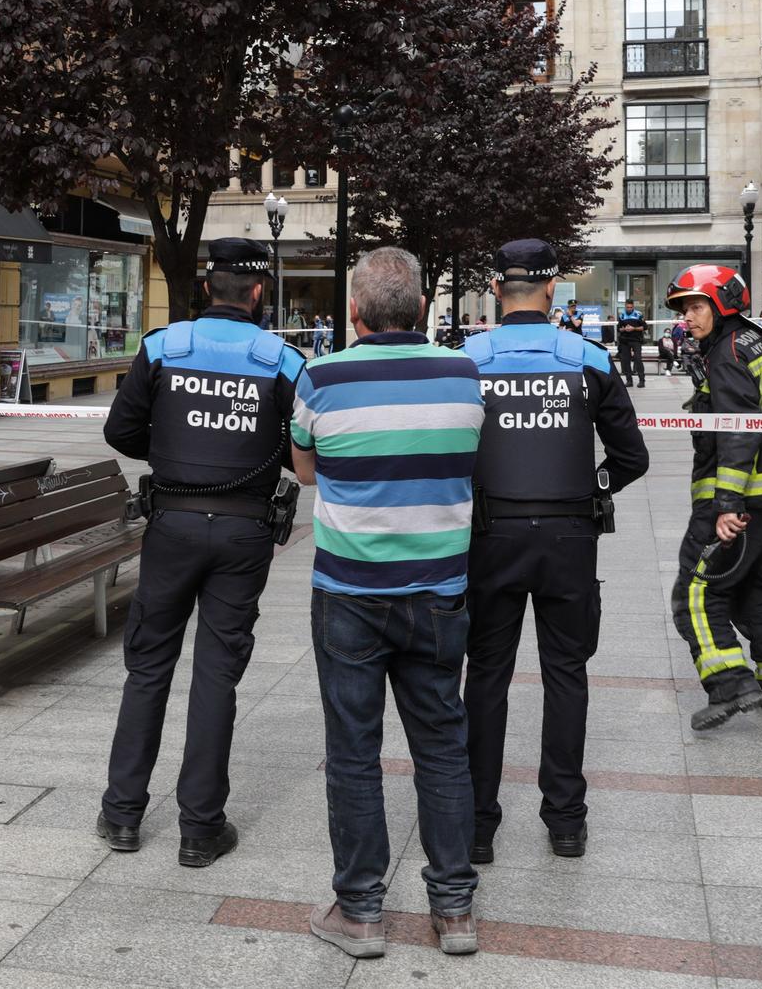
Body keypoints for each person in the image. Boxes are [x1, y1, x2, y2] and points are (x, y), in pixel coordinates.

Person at [293, 247, 484, 960]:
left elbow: (306, 467)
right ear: (421, 309)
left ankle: (361, 911)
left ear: (355, 311)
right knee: (442, 748)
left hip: (349, 594)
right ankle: (456, 910)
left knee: (353, 750)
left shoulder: (321, 376)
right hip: (438, 595)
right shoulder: (465, 375)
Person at [98, 238, 304, 868]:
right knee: (217, 673)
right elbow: (304, 446)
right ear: (258, 293)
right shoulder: (284, 360)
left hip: (172, 529)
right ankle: (199, 827)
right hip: (244, 535)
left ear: (208, 288)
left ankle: (123, 815)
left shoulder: (163, 348)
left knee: (148, 666)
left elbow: (119, 432)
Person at [460, 241, 649, 866]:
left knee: (485, 677)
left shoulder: (468, 360)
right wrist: (590, 489)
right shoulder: (587, 359)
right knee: (566, 675)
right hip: (570, 539)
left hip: (490, 538)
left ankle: (479, 825)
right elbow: (632, 458)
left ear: (496, 286)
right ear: (551, 289)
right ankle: (566, 821)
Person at [666, 265, 762, 729]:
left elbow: (738, 430)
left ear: (722, 303)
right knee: (759, 592)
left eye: (697, 305)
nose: (688, 316)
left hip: (736, 500)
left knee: (695, 594)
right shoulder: (755, 341)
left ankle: (730, 685)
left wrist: (726, 506)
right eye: (684, 308)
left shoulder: (726, 353)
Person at [616, 299, 647, 388]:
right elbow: (619, 329)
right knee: (626, 361)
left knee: (638, 359)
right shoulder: (622, 315)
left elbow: (644, 327)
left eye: (631, 307)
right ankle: (629, 380)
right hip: (624, 340)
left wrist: (634, 328)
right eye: (627, 307)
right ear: (625, 306)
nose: (629, 309)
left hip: (636, 340)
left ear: (633, 307)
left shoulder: (638, 314)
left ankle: (642, 380)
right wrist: (624, 329)